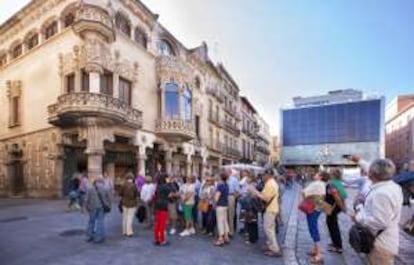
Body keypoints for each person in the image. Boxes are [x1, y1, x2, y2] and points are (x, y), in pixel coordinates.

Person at [353, 159, 403, 265]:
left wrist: (357, 216)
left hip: (380, 245)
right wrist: (359, 161)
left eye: (369, 170)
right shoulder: (392, 186)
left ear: (372, 174)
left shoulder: (381, 193)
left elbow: (379, 222)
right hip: (385, 242)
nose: (367, 172)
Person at [253, 168, 282, 257]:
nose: (262, 176)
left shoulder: (270, 184)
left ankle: (275, 249)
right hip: (272, 208)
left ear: (268, 175)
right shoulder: (272, 183)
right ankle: (270, 245)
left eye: (263, 175)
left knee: (268, 229)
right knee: (270, 228)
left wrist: (255, 192)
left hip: (270, 209)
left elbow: (265, 198)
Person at [302, 171, 330, 264]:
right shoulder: (323, 184)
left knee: (313, 228)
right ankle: (315, 250)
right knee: (314, 227)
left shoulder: (316, 183)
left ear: (320, 176)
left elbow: (304, 192)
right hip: (318, 207)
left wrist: (305, 200)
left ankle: (319, 254)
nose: (315, 174)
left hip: (312, 207)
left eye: (317, 174)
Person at [325, 168, 347, 254]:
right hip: (335, 207)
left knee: (332, 225)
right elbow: (343, 196)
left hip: (332, 207)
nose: (329, 174)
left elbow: (337, 197)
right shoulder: (339, 183)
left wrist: (343, 208)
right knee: (332, 224)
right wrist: (343, 206)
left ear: (333, 175)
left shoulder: (331, 184)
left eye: (330, 173)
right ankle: (335, 242)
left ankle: (338, 246)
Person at [84, 176, 112, 243]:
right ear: (102, 182)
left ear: (95, 182)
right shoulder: (106, 189)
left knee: (91, 222)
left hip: (92, 207)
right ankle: (98, 238)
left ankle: (89, 236)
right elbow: (109, 199)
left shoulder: (90, 189)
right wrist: (109, 206)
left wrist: (86, 207)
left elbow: (86, 199)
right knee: (100, 222)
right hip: (101, 208)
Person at [153, 173, 172, 246]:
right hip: (163, 205)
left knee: (158, 223)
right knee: (162, 224)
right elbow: (171, 194)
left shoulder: (158, 186)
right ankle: (162, 240)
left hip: (157, 205)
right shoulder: (166, 186)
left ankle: (157, 239)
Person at [214, 172, 230, 246]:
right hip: (225, 204)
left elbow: (217, 196)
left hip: (220, 205)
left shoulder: (220, 185)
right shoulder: (227, 185)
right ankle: (226, 236)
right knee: (225, 221)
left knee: (220, 221)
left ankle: (221, 238)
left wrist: (215, 203)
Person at [227, 169, 240, 236]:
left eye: (227, 172)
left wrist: (234, 198)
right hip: (224, 197)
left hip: (231, 196)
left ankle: (231, 231)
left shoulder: (234, 179)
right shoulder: (224, 179)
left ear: (230, 173)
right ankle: (226, 230)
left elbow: (237, 190)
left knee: (231, 215)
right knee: (225, 215)